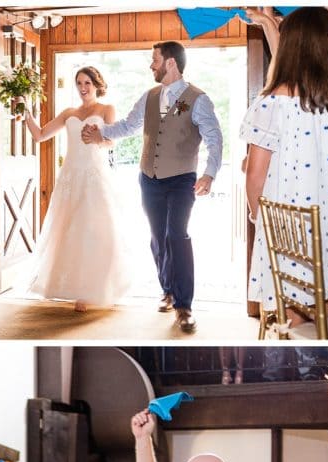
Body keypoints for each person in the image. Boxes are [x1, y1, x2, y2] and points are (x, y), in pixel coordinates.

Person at [85, 41, 222, 334]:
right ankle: (168, 291)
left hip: (181, 178)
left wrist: (209, 173)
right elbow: (128, 126)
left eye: (154, 60)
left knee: (177, 235)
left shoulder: (198, 99)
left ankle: (184, 306)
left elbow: (214, 138)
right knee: (158, 237)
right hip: (148, 178)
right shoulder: (149, 96)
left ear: (170, 62)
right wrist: (101, 132)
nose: (151, 65)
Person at [240, 7, 328, 329]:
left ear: (292, 45)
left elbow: (255, 174)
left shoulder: (273, 102)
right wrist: (267, 24)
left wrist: (255, 215)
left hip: (289, 224)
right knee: (322, 311)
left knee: (295, 319)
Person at [23, 66, 130, 313]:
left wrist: (97, 137)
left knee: (95, 230)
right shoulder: (69, 112)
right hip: (70, 177)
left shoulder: (106, 109)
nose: (83, 88)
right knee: (69, 231)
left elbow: (112, 141)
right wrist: (25, 109)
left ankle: (97, 289)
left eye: (88, 83)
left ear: (97, 85)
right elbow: (39, 136)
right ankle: (77, 290)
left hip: (94, 176)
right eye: (79, 83)